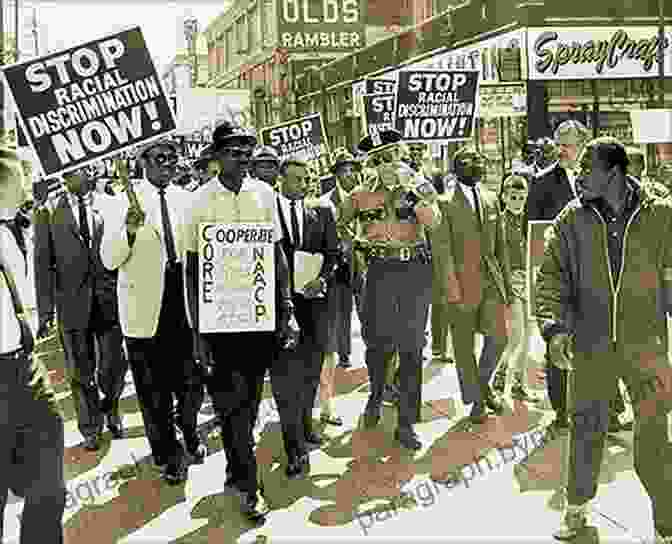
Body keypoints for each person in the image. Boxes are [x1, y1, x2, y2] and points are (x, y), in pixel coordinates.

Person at [536, 137, 672, 542]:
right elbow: (551, 277)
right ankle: (576, 509)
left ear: (613, 172)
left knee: (653, 432)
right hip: (590, 341)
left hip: (645, 343)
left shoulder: (661, 216)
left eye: (585, 170)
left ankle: (666, 521)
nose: (578, 178)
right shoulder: (571, 219)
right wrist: (555, 328)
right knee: (586, 427)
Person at [184, 122, 299, 521]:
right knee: (231, 405)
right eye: (235, 152)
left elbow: (278, 254)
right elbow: (193, 269)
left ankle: (236, 468)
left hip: (258, 319)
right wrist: (197, 332)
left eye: (248, 151)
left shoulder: (265, 194)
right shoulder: (199, 200)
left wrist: (287, 309)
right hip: (218, 326)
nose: (244, 158)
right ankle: (251, 488)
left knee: (247, 405)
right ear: (216, 158)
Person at [100, 138, 205, 484]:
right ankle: (167, 454)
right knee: (153, 388)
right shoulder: (120, 204)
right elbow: (109, 259)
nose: (168, 163)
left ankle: (188, 427)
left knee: (191, 382)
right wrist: (128, 231)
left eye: (173, 158)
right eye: (160, 157)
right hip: (145, 308)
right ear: (143, 161)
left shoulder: (188, 200)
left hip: (184, 301)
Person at [338, 129, 441, 450]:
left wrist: (415, 193)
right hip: (380, 272)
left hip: (413, 272)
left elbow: (434, 221)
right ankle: (376, 394)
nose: (387, 164)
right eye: (379, 159)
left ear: (401, 155)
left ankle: (407, 422)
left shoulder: (418, 185)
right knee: (377, 344)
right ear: (371, 164)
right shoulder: (359, 195)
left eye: (392, 156)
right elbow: (341, 224)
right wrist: (355, 244)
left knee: (412, 348)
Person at [34, 166, 128, 451]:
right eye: (66, 171)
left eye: (77, 169)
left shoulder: (111, 202)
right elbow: (42, 262)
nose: (70, 175)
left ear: (89, 171)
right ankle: (90, 427)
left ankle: (110, 408)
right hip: (71, 303)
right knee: (79, 370)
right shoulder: (48, 210)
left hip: (109, 299)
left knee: (113, 365)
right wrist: (45, 310)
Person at [0, 148, 66, 543]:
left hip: (26, 369)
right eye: (23, 179)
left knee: (49, 486)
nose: (31, 187)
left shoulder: (14, 230)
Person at [271, 157, 339, 479]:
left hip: (314, 305)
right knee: (286, 378)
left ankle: (306, 424)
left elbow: (333, 254)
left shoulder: (323, 211)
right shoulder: (267, 212)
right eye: (297, 178)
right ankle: (293, 446)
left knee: (311, 370)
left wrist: (322, 279)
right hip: (282, 308)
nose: (304, 184)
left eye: (307, 178)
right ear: (281, 180)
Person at [434, 146, 511, 425]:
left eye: (479, 159)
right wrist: (451, 289)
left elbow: (501, 246)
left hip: (491, 281)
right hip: (461, 284)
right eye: (469, 161)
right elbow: (442, 252)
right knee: (464, 347)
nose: (477, 164)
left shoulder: (491, 199)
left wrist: (507, 287)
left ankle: (481, 385)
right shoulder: (444, 203)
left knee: (500, 337)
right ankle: (477, 399)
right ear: (456, 169)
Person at [527, 120, 589, 433]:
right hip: (558, 279)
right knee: (556, 341)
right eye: (558, 143)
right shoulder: (540, 182)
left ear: (583, 144)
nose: (561, 150)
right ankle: (561, 411)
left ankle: (605, 406)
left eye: (568, 144)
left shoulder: (600, 178)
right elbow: (533, 234)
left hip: (593, 278)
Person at [492, 174, 535, 401]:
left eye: (521, 197)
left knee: (527, 337)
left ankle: (519, 383)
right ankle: (498, 374)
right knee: (516, 335)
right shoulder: (498, 222)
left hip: (530, 283)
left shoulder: (529, 223)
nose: (518, 201)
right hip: (510, 285)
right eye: (513, 197)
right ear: (504, 197)